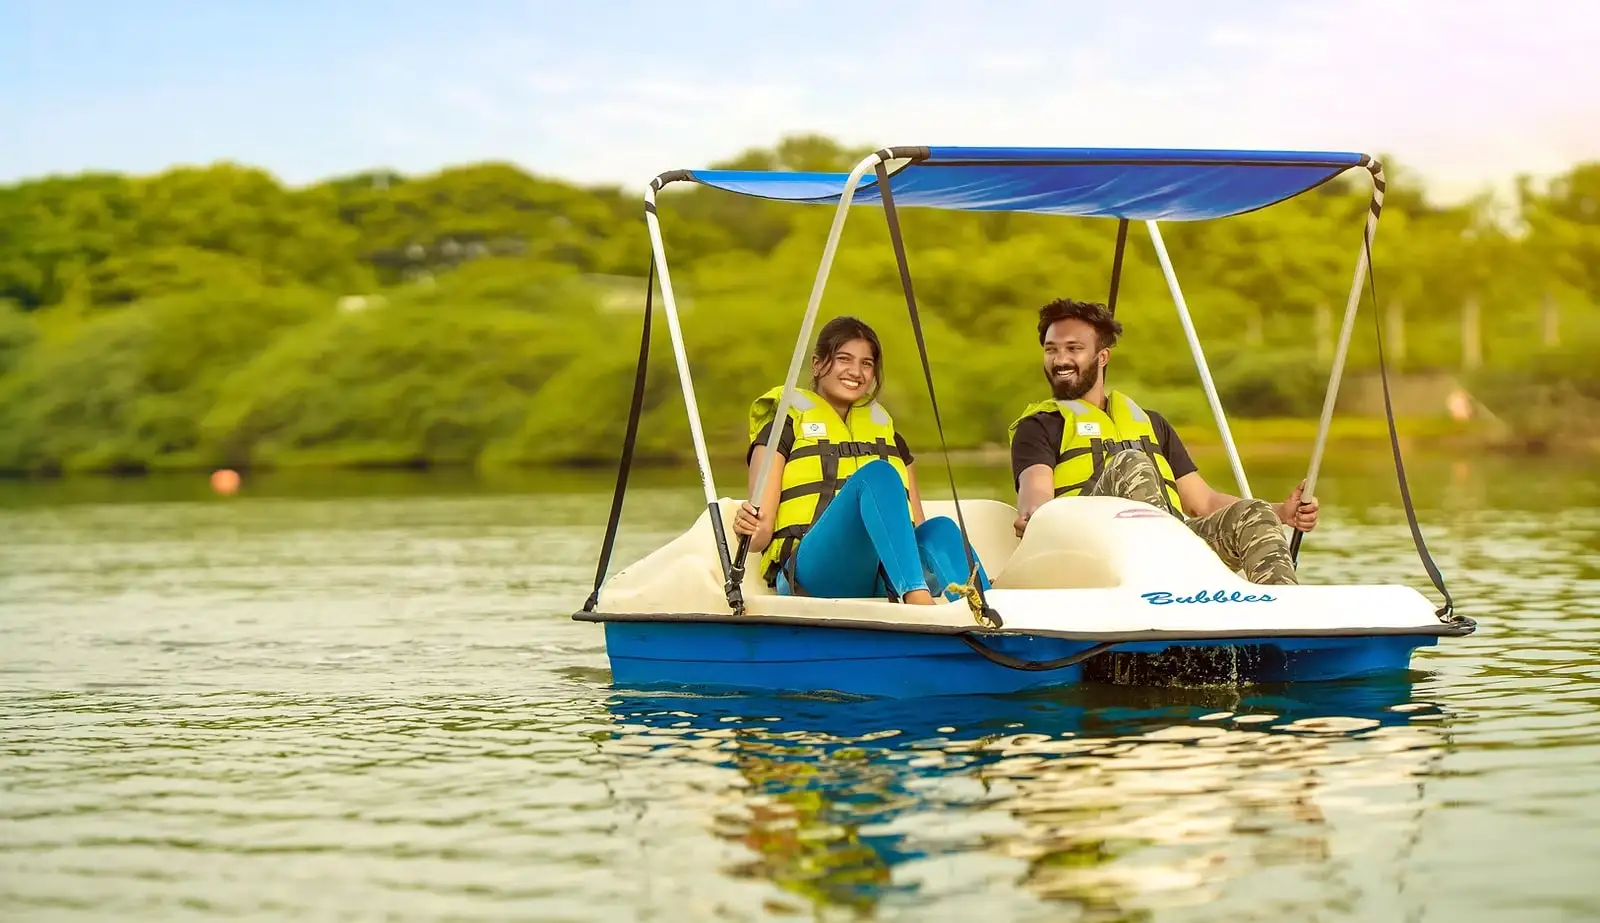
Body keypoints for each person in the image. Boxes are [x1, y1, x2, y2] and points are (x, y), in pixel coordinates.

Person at [1008, 298, 1319, 585]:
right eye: (1051, 350)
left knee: (1254, 512)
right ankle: (1165, 590)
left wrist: (1280, 512)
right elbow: (1036, 493)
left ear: (1102, 357)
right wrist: (1033, 515)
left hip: (1174, 554)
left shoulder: (1152, 423)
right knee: (1131, 461)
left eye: (1073, 348)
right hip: (1085, 554)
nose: (1060, 360)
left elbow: (1203, 503)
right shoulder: (1038, 426)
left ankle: (1281, 616)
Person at [732, 315, 990, 604]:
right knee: (877, 474)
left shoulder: (889, 436)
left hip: (879, 573)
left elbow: (914, 526)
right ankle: (918, 602)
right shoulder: (782, 428)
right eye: (844, 359)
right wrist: (748, 527)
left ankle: (989, 610)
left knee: (940, 529)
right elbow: (758, 537)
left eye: (866, 363)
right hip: (815, 574)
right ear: (817, 364)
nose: (856, 371)